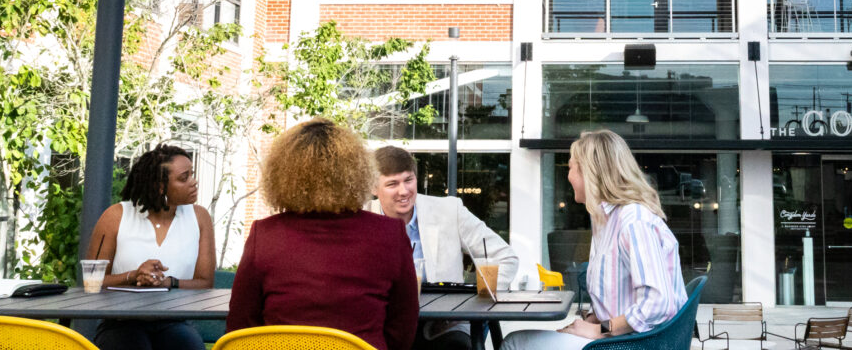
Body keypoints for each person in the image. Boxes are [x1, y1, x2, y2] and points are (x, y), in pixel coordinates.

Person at [226, 119, 418, 350]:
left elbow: (241, 325)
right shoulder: (389, 234)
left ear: (283, 175)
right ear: (357, 172)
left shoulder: (264, 235)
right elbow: (403, 326)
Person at [502, 130, 683, 350]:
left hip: (633, 344)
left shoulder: (634, 221)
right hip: (620, 338)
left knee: (514, 343)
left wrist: (600, 330)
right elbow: (618, 296)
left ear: (590, 172)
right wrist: (591, 321)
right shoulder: (606, 220)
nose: (568, 176)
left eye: (571, 167)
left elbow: (657, 303)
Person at [368, 146, 519, 350]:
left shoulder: (449, 210)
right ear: (373, 188)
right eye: (392, 184)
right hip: (383, 324)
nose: (403, 191)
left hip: (444, 325)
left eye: (408, 180)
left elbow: (506, 257)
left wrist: (471, 305)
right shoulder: (361, 218)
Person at [87, 144, 217, 350]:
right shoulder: (117, 216)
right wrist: (134, 275)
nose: (194, 182)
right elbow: (91, 280)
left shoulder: (199, 218)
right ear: (160, 186)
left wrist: (169, 282)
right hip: (121, 323)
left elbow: (205, 282)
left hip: (175, 322)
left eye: (192, 174)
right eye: (184, 178)